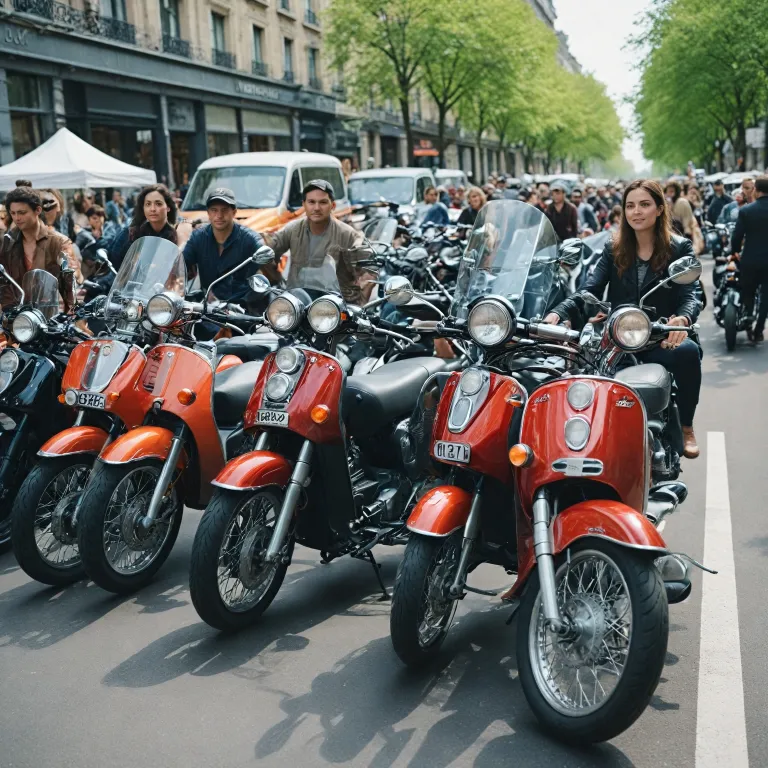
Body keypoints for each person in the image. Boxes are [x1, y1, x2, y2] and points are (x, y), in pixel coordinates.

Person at [543, 178, 702, 459]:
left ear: (659, 209)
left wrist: (682, 321)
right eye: (630, 206)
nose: (636, 212)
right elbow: (588, 290)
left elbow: (690, 294)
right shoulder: (613, 247)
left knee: (688, 353)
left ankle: (687, 425)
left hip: (661, 335)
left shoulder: (679, 248)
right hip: (619, 338)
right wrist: (558, 313)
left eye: (644, 204)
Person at [263, 179, 367, 304]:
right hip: (297, 302)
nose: (316, 208)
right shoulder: (293, 229)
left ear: (332, 206)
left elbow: (368, 270)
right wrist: (277, 279)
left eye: (323, 202)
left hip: (334, 305)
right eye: (311, 202)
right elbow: (268, 248)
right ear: (304, 205)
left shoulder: (348, 234)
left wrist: (358, 305)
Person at [0, 185, 80, 309]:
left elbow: (72, 283)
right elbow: (4, 285)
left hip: (52, 318)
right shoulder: (8, 242)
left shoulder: (58, 242)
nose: (17, 218)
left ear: (37, 210)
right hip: (18, 319)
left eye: (22, 212)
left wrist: (70, 314)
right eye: (13, 213)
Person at [183, 188, 265, 304]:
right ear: (208, 213)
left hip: (243, 308)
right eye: (214, 210)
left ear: (234, 212)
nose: (219, 215)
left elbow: (263, 255)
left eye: (224, 210)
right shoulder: (198, 237)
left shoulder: (249, 239)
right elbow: (181, 265)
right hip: (209, 307)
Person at [730, 174, 768, 343]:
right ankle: (759, 330)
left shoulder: (746, 211)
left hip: (750, 260)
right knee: (766, 296)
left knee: (748, 292)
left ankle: (748, 321)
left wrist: (735, 251)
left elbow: (736, 236)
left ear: (756, 190)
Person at [109, 184, 178, 271]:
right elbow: (114, 262)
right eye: (148, 204)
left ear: (168, 207)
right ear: (143, 208)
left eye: (158, 204)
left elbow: (185, 270)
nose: (152, 209)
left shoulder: (177, 235)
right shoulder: (130, 233)